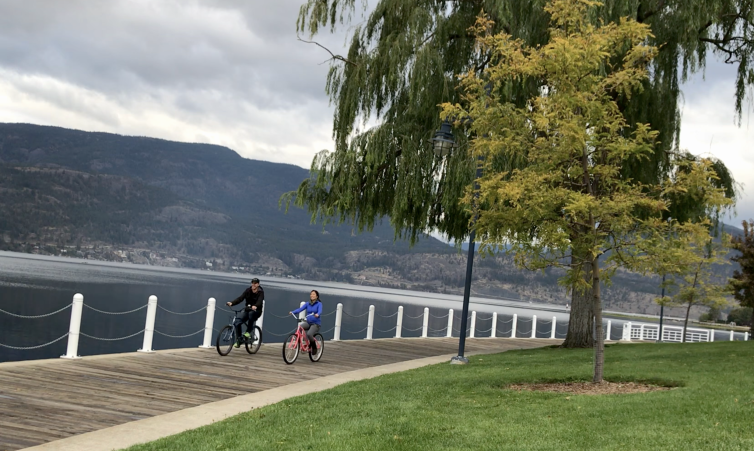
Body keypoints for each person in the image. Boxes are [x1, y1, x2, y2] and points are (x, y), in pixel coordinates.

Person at [226, 278, 264, 347]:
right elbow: (240, 298)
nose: (253, 284)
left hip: (256, 311)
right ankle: (239, 339)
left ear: (258, 284)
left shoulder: (260, 292)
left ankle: (248, 332)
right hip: (248, 310)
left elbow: (260, 301)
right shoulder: (248, 290)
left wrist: (255, 306)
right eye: (252, 283)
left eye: (255, 283)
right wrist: (232, 303)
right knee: (237, 322)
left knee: (251, 314)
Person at [290, 290, 322, 354]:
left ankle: (314, 347)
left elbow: (320, 311)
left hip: (315, 324)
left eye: (313, 294)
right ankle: (298, 344)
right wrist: (293, 312)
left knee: (309, 334)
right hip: (308, 322)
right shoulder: (307, 304)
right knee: (300, 327)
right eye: (311, 294)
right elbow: (300, 309)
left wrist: (317, 314)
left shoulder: (319, 304)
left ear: (317, 296)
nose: (312, 295)